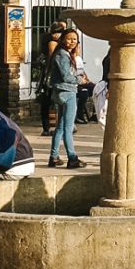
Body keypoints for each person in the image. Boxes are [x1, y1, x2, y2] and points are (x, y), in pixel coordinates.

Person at [49, 28, 86, 169]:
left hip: (60, 92)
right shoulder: (63, 55)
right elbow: (66, 76)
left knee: (60, 126)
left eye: (75, 39)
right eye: (69, 38)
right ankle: (72, 158)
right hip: (67, 92)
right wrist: (79, 80)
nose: (72, 41)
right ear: (63, 39)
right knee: (68, 128)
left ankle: (54, 157)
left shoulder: (63, 54)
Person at [37, 21, 66, 136]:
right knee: (48, 101)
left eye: (59, 32)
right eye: (54, 32)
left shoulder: (62, 43)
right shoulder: (51, 42)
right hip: (49, 75)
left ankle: (56, 126)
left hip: (53, 75)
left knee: (57, 102)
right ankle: (46, 127)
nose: (56, 35)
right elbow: (53, 59)